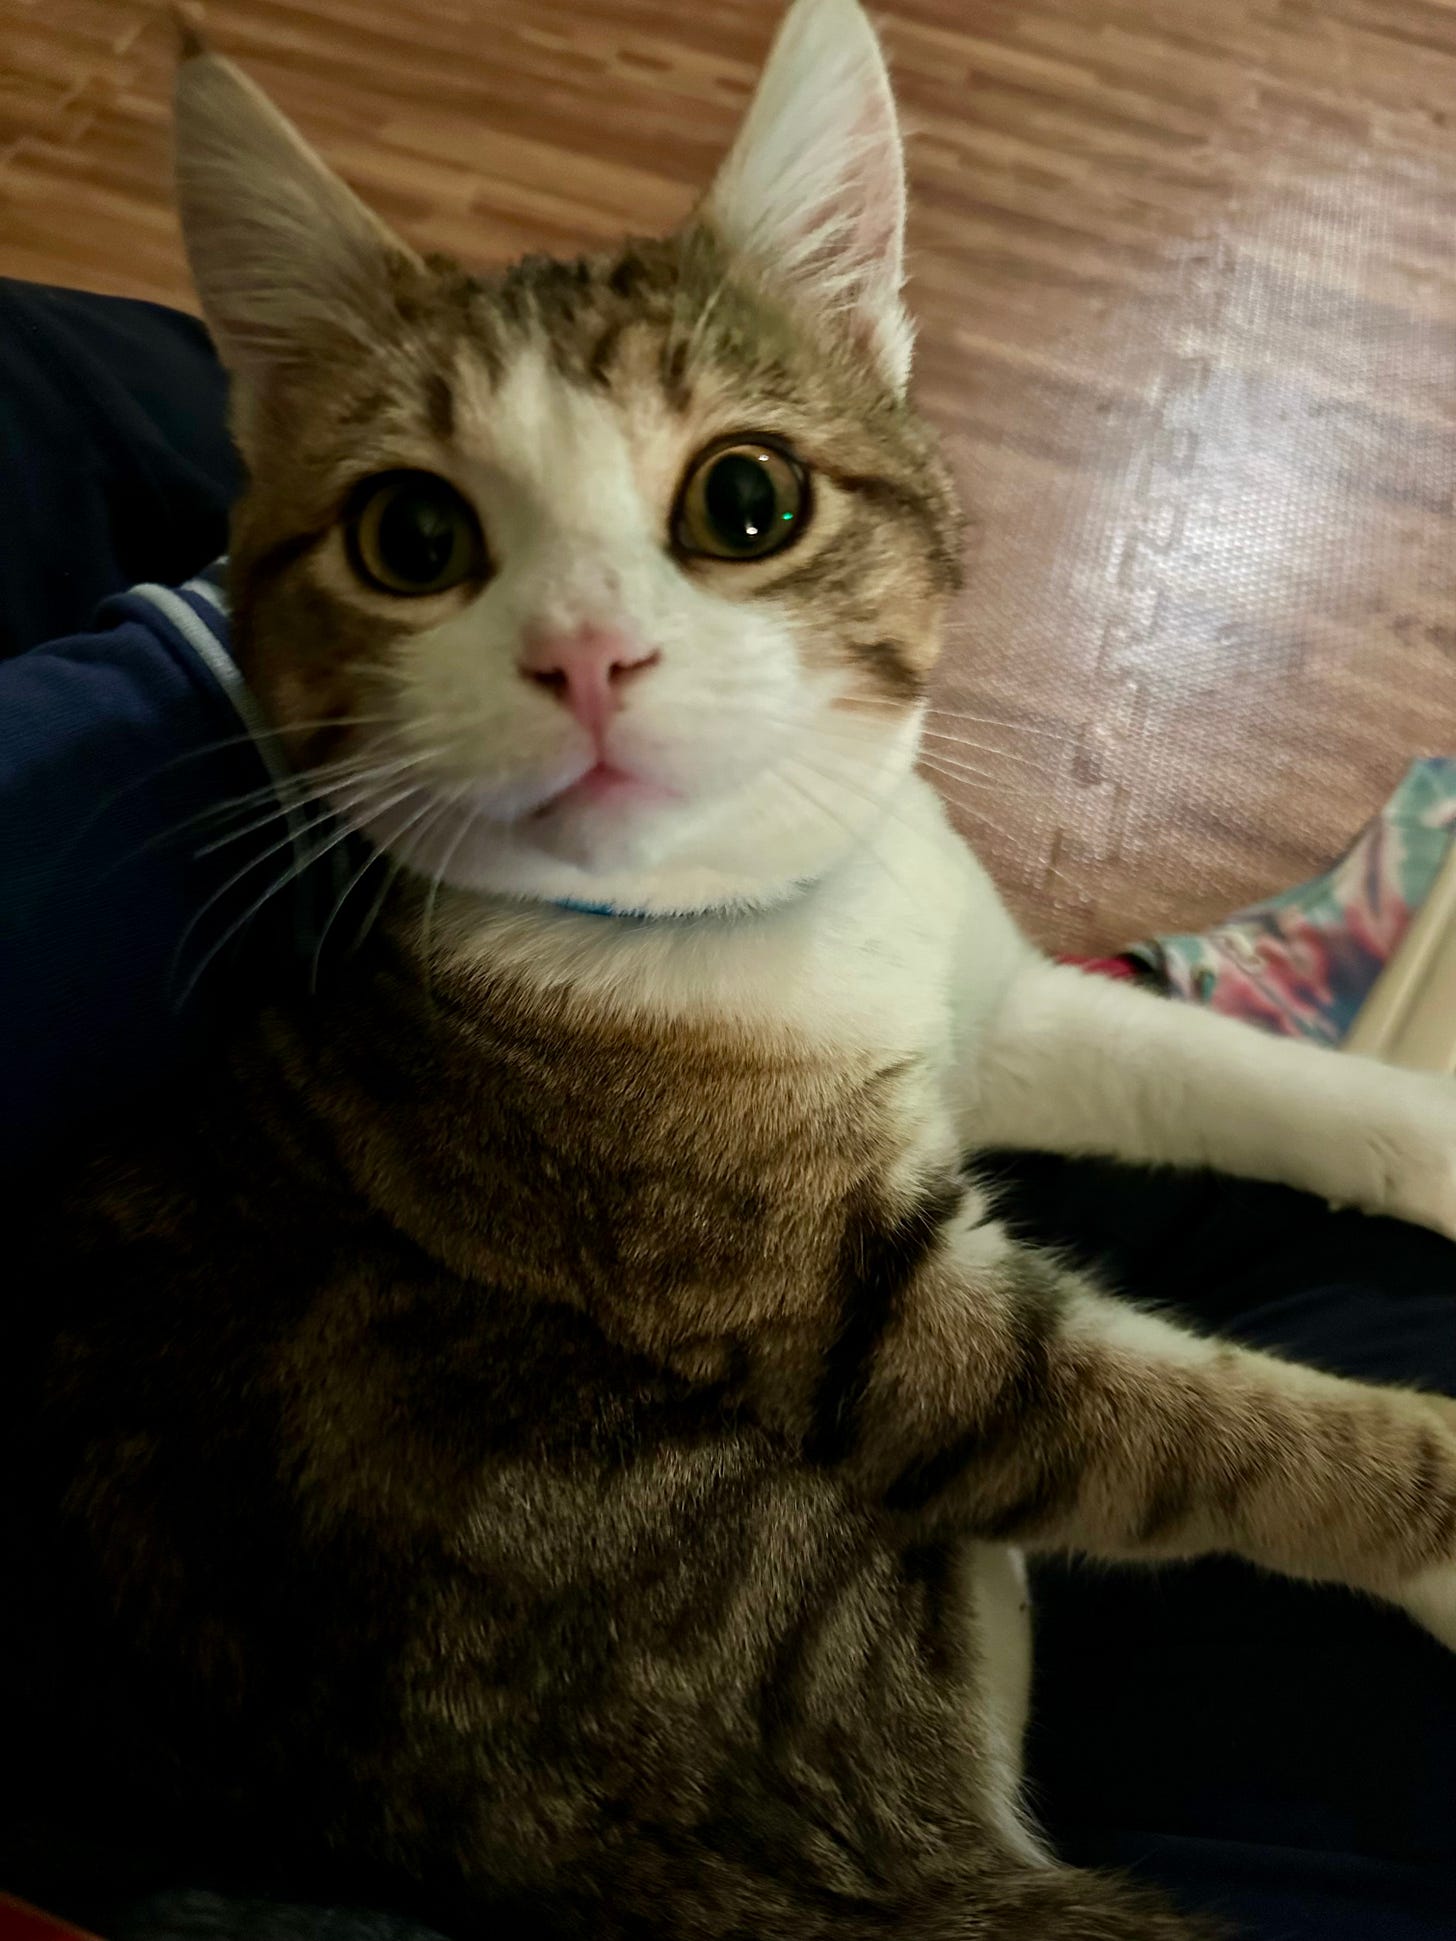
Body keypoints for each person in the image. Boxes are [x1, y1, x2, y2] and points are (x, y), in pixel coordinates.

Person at [1, 277, 1452, 1940]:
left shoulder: (822, 814)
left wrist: (1403, 1138)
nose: (592, 645)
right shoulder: (532, 1027)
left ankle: (1218, 1018)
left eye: (735, 504)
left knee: (1116, 1102)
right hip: (611, 1700)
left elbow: (998, 1025)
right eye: (421, 539)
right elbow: (961, 1404)